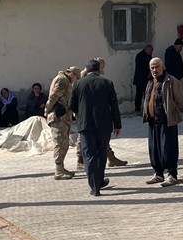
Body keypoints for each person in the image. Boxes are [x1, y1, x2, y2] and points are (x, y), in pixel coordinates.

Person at [69, 58, 122, 196]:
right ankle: (98, 181)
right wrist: (117, 124)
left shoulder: (78, 84)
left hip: (85, 125)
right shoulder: (107, 83)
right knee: (101, 153)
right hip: (104, 125)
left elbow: (71, 105)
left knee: (89, 155)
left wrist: (80, 114)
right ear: (99, 69)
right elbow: (114, 106)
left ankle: (94, 186)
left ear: (86, 70)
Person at [75, 59, 128, 170]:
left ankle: (109, 160)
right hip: (92, 118)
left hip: (88, 119)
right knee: (89, 145)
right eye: (102, 67)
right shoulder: (86, 78)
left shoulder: (96, 79)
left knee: (98, 146)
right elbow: (113, 105)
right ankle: (81, 161)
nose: (103, 70)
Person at [141, 56, 183, 186]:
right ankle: (158, 173)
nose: (154, 70)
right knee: (154, 149)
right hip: (152, 121)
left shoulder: (171, 81)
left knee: (168, 148)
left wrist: (173, 112)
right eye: (152, 67)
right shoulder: (150, 81)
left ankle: (172, 175)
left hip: (167, 121)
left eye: (157, 67)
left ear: (163, 67)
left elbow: (180, 102)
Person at [44, 66, 81, 180]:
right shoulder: (62, 80)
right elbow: (54, 96)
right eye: (76, 77)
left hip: (63, 117)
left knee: (64, 143)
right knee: (59, 143)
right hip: (58, 117)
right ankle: (59, 170)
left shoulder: (65, 80)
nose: (76, 80)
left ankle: (61, 167)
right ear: (72, 75)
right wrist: (47, 110)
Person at [132, 44, 153, 114]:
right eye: (150, 51)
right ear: (147, 49)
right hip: (140, 79)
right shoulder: (140, 56)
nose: (151, 52)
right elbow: (141, 67)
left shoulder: (148, 56)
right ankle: (137, 109)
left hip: (146, 78)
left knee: (146, 94)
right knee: (139, 94)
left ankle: (146, 109)